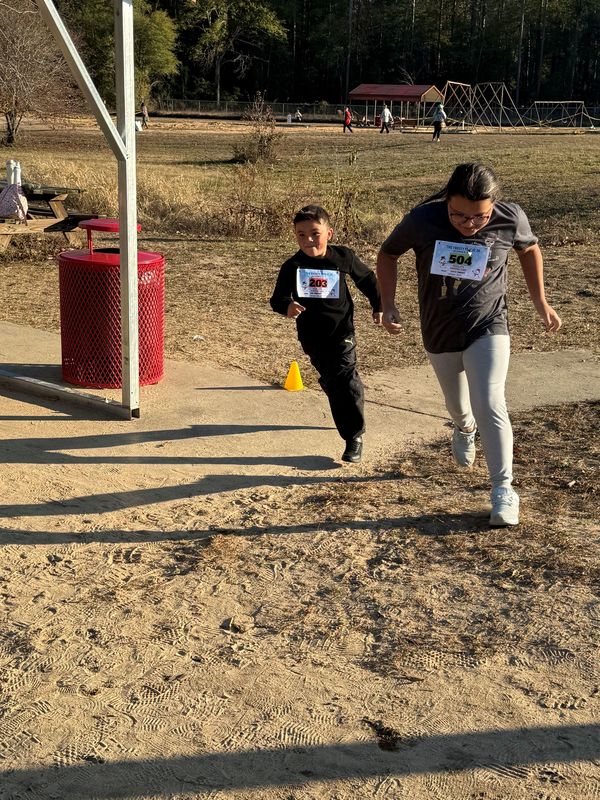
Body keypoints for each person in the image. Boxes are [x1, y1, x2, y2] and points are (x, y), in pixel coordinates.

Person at [376, 162, 562, 526]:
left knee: (491, 401)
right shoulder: (423, 219)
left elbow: (529, 249)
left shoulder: (511, 217)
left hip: (488, 324)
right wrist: (388, 303)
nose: (469, 224)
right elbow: (387, 254)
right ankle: (464, 428)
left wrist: (541, 301)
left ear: (493, 206)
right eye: (459, 215)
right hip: (439, 329)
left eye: (480, 217)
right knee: (458, 406)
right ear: (447, 201)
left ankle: (503, 490)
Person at [270, 205, 382, 463]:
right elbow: (277, 298)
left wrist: (379, 305)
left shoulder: (344, 257)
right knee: (334, 379)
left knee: (345, 378)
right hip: (311, 336)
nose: (308, 240)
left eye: (314, 233)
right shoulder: (293, 266)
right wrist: (287, 306)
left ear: (328, 233)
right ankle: (332, 386)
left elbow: (368, 280)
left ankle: (354, 437)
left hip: (342, 331)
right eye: (301, 235)